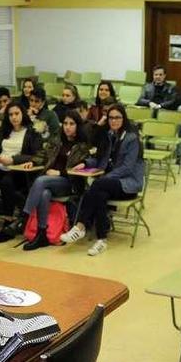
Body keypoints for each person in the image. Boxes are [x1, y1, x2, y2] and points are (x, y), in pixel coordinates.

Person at [60, 104, 145, 256]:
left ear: (123, 118)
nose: (113, 121)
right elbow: (101, 161)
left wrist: (105, 177)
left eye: (117, 117)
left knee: (97, 186)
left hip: (127, 185)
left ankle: (80, 226)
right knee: (99, 194)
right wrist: (85, 163)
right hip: (107, 185)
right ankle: (101, 240)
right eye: (111, 118)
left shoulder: (132, 139)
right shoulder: (109, 136)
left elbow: (127, 168)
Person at [20, 111, 92, 251]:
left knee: (41, 181)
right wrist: (33, 162)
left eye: (71, 124)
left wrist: (59, 173)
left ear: (78, 126)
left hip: (69, 183)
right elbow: (43, 154)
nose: (67, 127)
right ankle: (42, 235)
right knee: (44, 194)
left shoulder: (82, 146)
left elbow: (78, 171)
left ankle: (24, 217)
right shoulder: (56, 140)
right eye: (65, 123)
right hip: (51, 182)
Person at [0, 103, 42, 238]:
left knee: (6, 183)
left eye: (17, 114)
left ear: (23, 114)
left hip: (17, 170)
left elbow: (36, 155)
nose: (13, 118)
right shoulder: (3, 131)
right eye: (10, 115)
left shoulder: (32, 132)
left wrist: (13, 160)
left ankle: (8, 222)